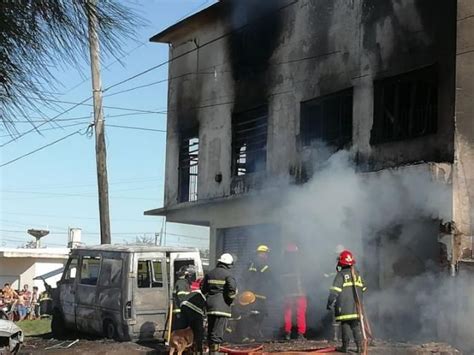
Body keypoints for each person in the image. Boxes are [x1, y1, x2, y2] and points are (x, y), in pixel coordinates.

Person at [327, 250, 367, 353]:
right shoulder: (357, 274)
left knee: (345, 325)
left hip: (344, 307)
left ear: (341, 262)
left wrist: (329, 302)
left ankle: (345, 347)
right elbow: (364, 288)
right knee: (355, 326)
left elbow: (334, 291)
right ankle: (360, 347)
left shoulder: (341, 275)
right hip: (356, 308)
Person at [201, 253, 237, 354]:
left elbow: (203, 290)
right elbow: (232, 290)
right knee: (217, 332)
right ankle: (215, 353)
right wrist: (229, 301)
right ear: (229, 264)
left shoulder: (209, 273)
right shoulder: (228, 275)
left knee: (211, 331)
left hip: (210, 307)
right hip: (222, 307)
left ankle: (211, 352)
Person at [243, 244, 272, 341]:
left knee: (250, 314)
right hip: (259, 295)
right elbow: (267, 280)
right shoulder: (264, 265)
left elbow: (245, 278)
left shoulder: (251, 263)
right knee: (259, 315)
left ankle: (249, 335)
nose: (267, 256)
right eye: (266, 254)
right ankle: (253, 335)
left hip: (250, 294)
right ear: (262, 254)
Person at [281, 242, 307, 341]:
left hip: (287, 294)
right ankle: (301, 334)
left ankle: (287, 333)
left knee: (287, 314)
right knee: (300, 313)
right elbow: (306, 277)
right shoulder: (301, 263)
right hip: (300, 293)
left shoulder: (282, 264)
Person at [180, 277, 206, 354]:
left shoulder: (195, 291)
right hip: (193, 308)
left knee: (189, 329)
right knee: (198, 330)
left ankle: (188, 348)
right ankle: (198, 350)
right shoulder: (204, 293)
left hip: (184, 306)